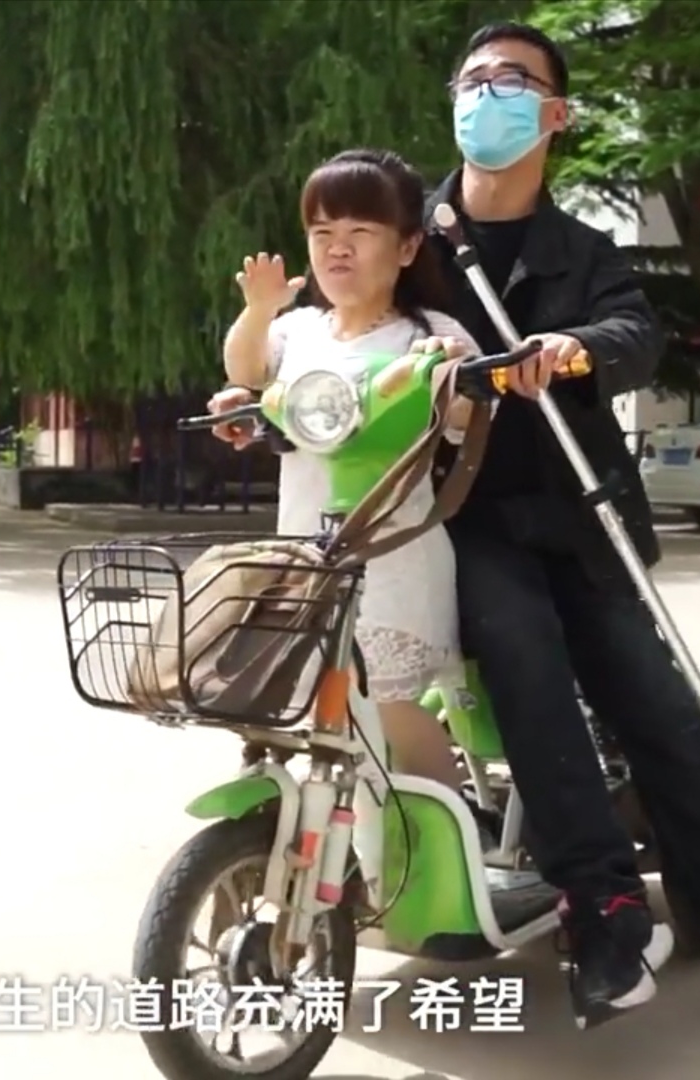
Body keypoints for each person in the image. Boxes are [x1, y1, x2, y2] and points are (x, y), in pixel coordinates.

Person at [404, 21, 700, 1051]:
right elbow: (330, 314)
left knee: (662, 715)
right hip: (465, 520)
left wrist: (570, 348)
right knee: (522, 662)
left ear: (553, 114)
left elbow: (634, 336)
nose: (487, 94)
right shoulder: (414, 237)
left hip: (578, 517)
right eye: (472, 80)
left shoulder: (583, 253)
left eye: (512, 80)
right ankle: (600, 908)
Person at [209, 149, 479, 796]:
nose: (338, 247)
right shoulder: (298, 330)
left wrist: (448, 376)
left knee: (390, 707)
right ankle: (339, 840)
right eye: (322, 231)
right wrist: (258, 311)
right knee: (318, 708)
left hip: (394, 558)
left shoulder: (426, 333)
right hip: (308, 553)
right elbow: (247, 372)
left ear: (407, 248)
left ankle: (451, 829)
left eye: (361, 231)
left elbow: (468, 416)